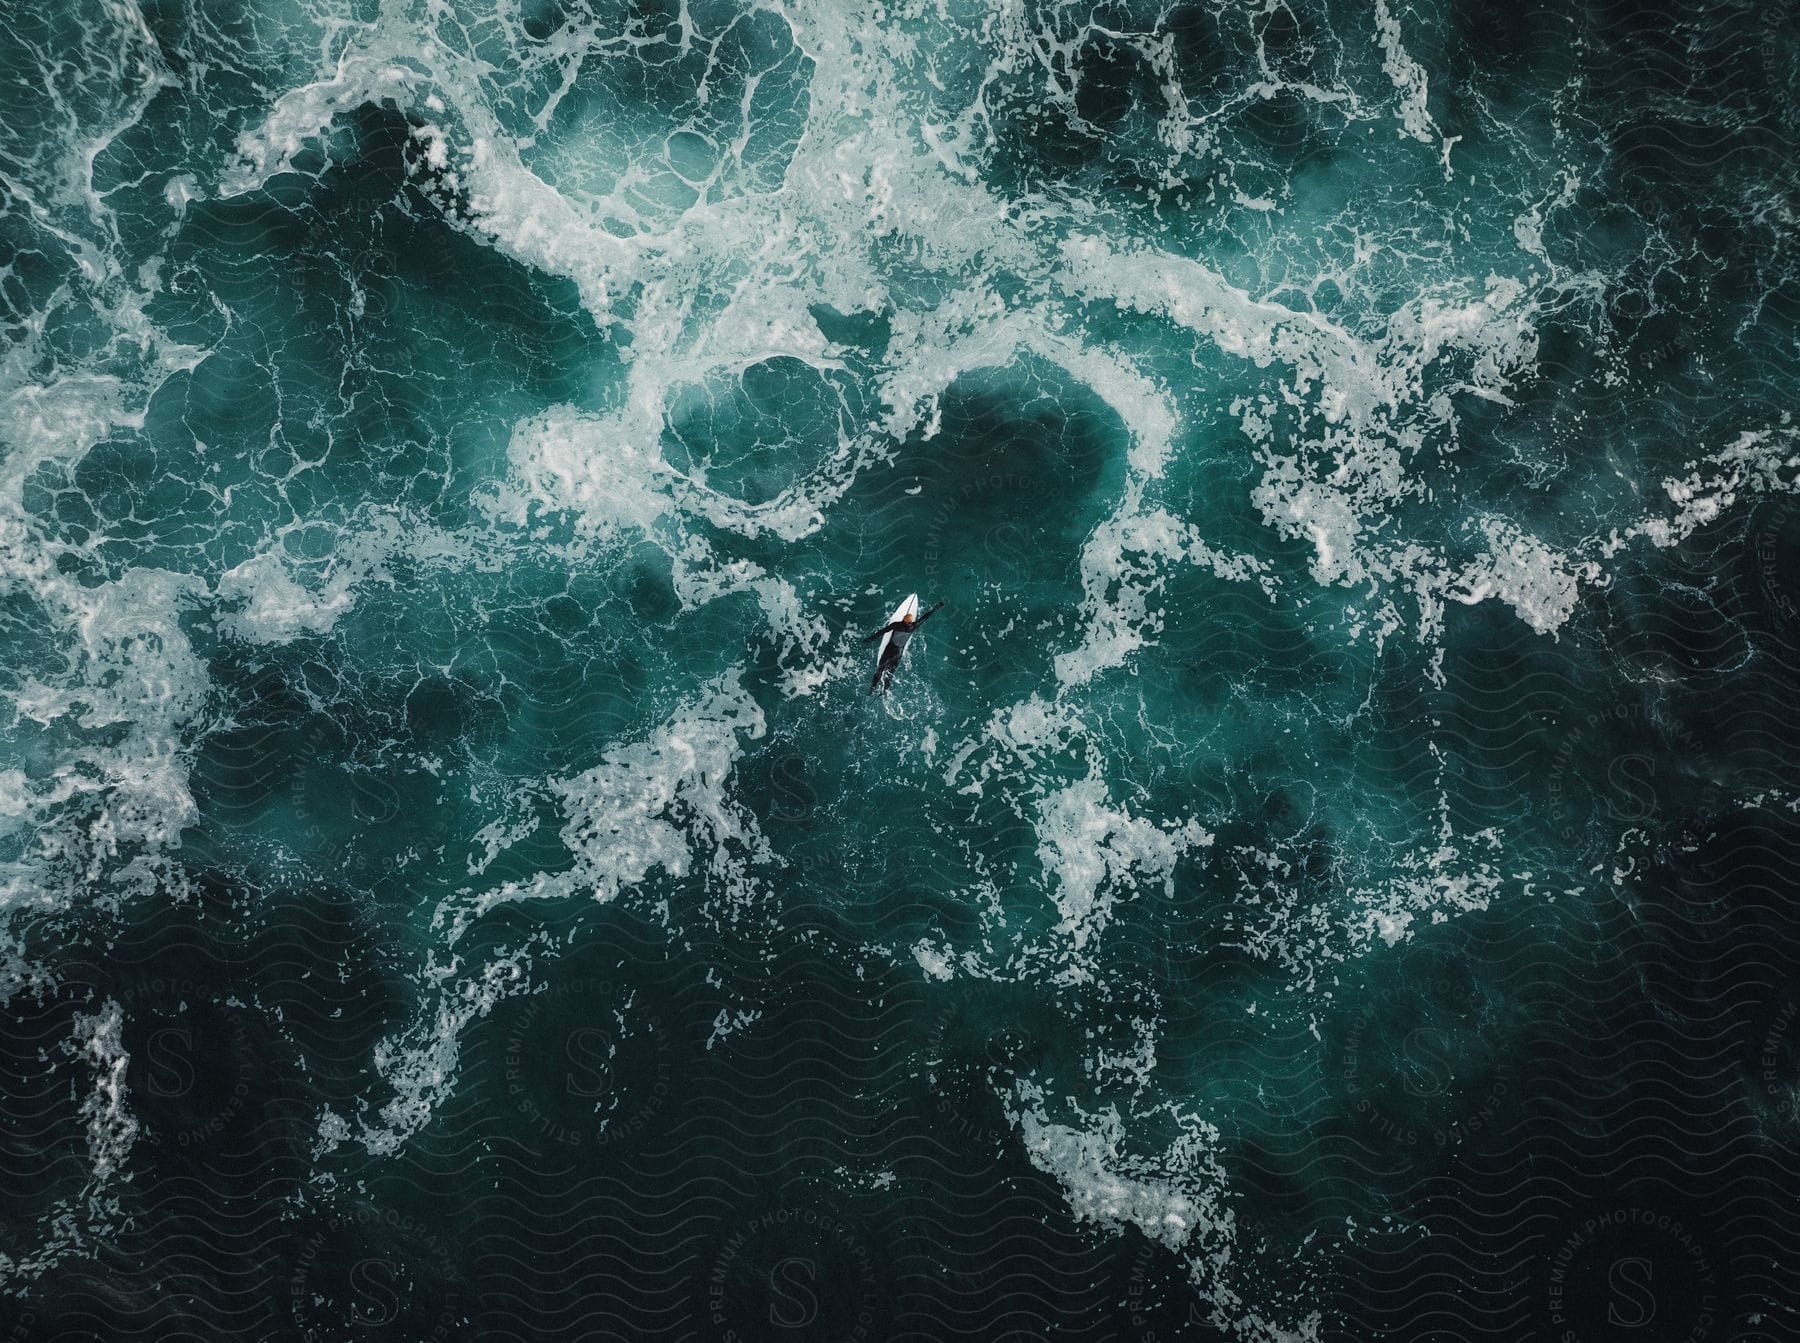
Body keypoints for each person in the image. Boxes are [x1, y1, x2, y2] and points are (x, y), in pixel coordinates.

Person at [865, 599, 943, 693]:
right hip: (898, 654)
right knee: (890, 673)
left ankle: (872, 688)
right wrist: (935, 608)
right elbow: (924, 618)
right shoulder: (913, 626)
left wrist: (870, 638)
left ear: (903, 619)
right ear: (910, 622)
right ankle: (885, 691)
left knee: (880, 669)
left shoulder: (896, 625)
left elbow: (883, 631)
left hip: (889, 650)